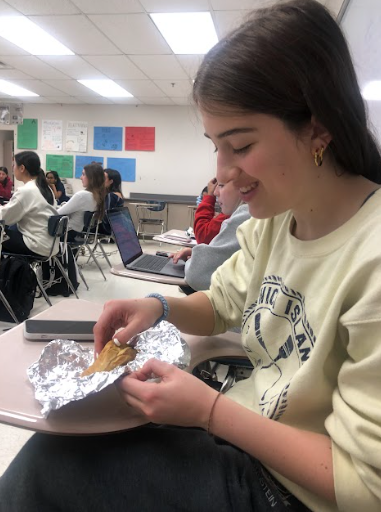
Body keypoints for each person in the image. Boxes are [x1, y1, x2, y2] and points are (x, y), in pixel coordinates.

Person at [1, 1, 381, 511]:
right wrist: (158, 308)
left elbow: (365, 487)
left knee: (48, 472)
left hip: (293, 490)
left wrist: (210, 412)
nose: (222, 172)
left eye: (240, 145)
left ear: (318, 129)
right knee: (66, 443)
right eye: (214, 146)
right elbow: (221, 302)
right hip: (246, 435)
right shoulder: (276, 221)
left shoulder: (370, 255)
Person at [172, 179, 250, 294]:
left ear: (245, 187)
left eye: (222, 185)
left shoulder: (245, 215)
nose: (215, 193)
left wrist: (195, 259)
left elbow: (197, 273)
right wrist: (196, 254)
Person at [0, 151, 58, 257]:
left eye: (14, 165)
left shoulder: (26, 190)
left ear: (22, 168)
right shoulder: (45, 188)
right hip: (49, 245)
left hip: (35, 245)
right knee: (11, 229)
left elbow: (4, 218)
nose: (12, 169)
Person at [57, 163, 105, 242]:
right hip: (77, 233)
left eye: (83, 174)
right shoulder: (97, 195)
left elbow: (58, 213)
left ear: (91, 178)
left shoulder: (82, 195)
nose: (80, 178)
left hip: (65, 234)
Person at [194, 177, 230, 244]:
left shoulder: (233, 215)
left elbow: (203, 236)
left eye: (222, 185)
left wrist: (209, 198)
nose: (215, 193)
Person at [99, 168, 124, 236]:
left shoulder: (111, 195)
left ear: (111, 181)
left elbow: (105, 215)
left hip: (107, 228)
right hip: (114, 228)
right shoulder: (117, 194)